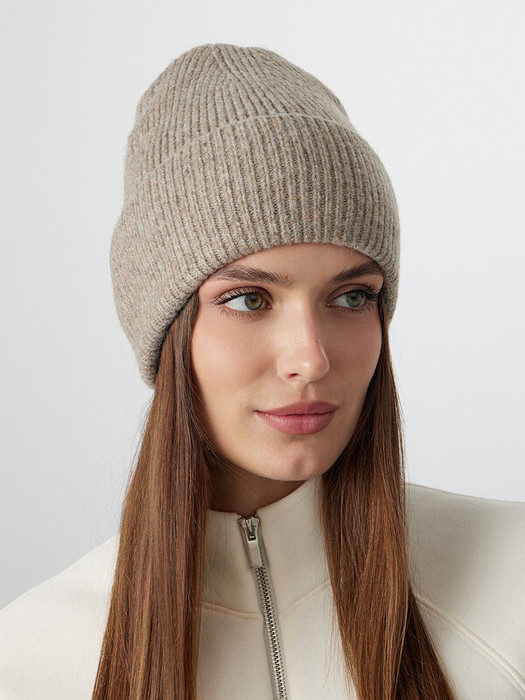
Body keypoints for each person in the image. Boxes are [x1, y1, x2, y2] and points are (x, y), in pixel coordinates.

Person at [0, 42, 524, 700]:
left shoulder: (512, 580)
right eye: (249, 299)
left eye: (351, 297)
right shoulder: (30, 663)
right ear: (167, 331)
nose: (310, 358)